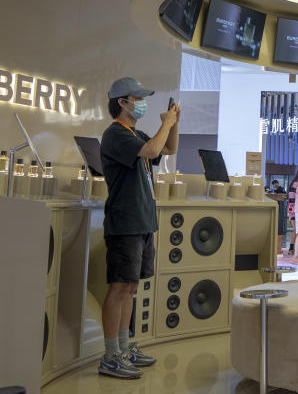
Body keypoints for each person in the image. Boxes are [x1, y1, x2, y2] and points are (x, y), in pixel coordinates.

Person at [99, 77, 179, 379]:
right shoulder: (116, 134)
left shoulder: (136, 132)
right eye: (138, 98)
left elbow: (167, 149)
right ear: (122, 102)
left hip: (143, 221)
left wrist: (174, 123)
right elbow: (150, 150)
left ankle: (123, 346)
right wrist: (166, 122)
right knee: (119, 287)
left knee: (131, 288)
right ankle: (110, 356)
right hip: (125, 221)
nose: (142, 103)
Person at [265, 180, 288, 257]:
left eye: (275, 184)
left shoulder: (280, 189)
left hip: (279, 210)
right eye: (274, 184)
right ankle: (277, 250)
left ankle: (278, 249)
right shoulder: (275, 190)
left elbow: (283, 196)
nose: (275, 185)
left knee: (279, 229)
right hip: (277, 210)